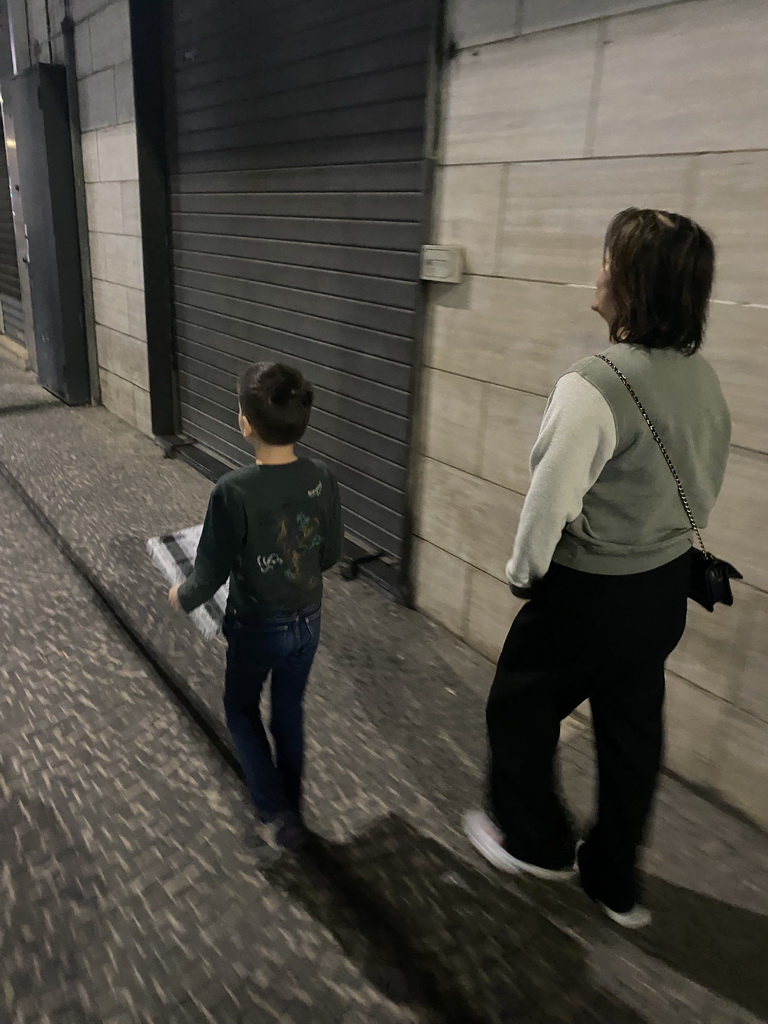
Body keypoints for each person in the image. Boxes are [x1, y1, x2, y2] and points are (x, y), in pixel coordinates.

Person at [464, 208, 731, 928]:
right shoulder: (701, 379)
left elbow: (547, 505)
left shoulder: (595, 384)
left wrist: (524, 574)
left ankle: (536, 842)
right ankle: (616, 881)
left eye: (611, 258)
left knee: (518, 708)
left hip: (588, 593)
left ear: (636, 283)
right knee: (631, 731)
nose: (600, 268)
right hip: (661, 592)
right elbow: (704, 481)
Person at [169, 362, 343, 850]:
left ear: (245, 423)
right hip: (308, 621)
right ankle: (293, 805)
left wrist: (181, 596)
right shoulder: (323, 479)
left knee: (240, 708)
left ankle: (273, 810)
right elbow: (329, 555)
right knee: (288, 709)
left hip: (255, 625)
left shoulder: (233, 490)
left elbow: (210, 572)